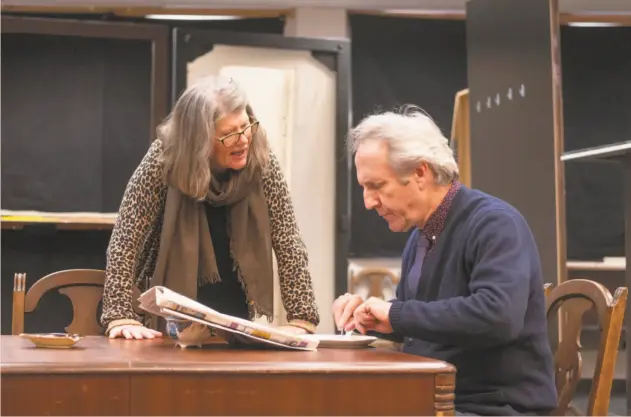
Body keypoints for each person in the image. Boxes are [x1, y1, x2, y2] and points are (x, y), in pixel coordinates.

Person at [332, 106, 557, 416]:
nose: (369, 202)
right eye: (364, 188)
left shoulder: (495, 223)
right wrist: (371, 320)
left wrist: (397, 315)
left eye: (377, 186)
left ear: (420, 173)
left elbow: (498, 317)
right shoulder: (420, 235)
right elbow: (424, 326)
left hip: (494, 407)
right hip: (440, 398)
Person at [102, 75, 319, 339]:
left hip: (235, 314)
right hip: (170, 320)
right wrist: (119, 315)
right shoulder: (164, 161)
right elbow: (125, 240)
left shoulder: (260, 162)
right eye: (228, 134)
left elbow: (288, 239)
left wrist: (302, 317)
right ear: (199, 141)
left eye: (245, 126)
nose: (242, 139)